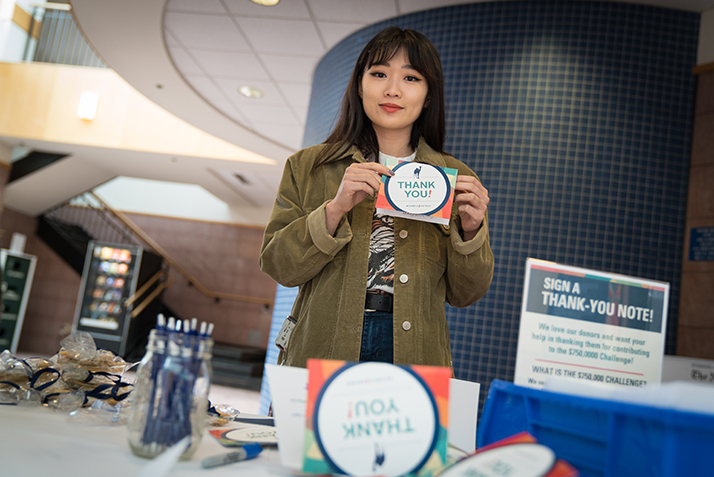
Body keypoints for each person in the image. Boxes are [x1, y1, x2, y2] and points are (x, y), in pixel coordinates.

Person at [260, 27, 494, 370]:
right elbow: (278, 264)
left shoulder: (454, 178)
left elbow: (465, 294)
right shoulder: (308, 166)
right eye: (379, 73)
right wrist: (335, 208)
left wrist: (471, 232)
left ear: (429, 95)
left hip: (415, 353)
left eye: (411, 78)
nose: (392, 90)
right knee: (310, 427)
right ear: (359, 84)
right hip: (321, 342)